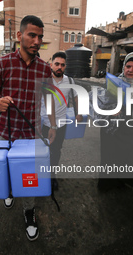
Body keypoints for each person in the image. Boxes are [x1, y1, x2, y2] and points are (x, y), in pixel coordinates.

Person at [0, 15, 56, 241]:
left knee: (29, 177)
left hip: (31, 134)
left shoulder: (45, 69)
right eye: (32, 35)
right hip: (4, 132)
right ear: (19, 36)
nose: (37, 41)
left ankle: (29, 212)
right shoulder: (2, 63)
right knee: (4, 170)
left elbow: (51, 99)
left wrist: (53, 124)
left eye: (40, 37)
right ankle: (7, 191)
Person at [98, 52, 133, 191]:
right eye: (128, 66)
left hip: (131, 130)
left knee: (126, 158)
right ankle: (107, 185)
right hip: (112, 128)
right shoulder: (114, 82)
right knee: (110, 157)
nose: (130, 70)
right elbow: (102, 102)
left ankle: (121, 183)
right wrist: (110, 109)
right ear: (124, 66)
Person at [41, 51, 83, 190]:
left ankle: (52, 177)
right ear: (51, 64)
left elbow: (76, 97)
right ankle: (42, 176)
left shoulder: (69, 81)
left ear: (65, 66)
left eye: (62, 65)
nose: (59, 67)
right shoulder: (45, 80)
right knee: (43, 152)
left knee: (56, 150)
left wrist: (79, 112)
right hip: (43, 124)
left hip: (61, 123)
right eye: (57, 64)